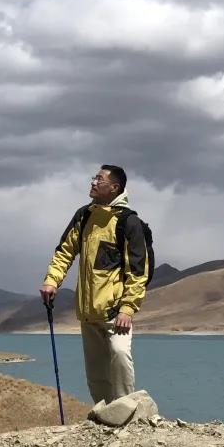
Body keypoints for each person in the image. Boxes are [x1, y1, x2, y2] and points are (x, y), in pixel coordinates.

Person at [39, 164, 150, 404]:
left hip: (115, 312)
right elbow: (65, 252)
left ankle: (126, 411)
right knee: (96, 373)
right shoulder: (84, 216)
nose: (93, 182)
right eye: (94, 178)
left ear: (114, 187)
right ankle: (103, 415)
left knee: (120, 354)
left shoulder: (128, 222)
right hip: (88, 312)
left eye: (99, 179)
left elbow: (138, 271)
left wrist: (127, 308)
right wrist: (51, 281)